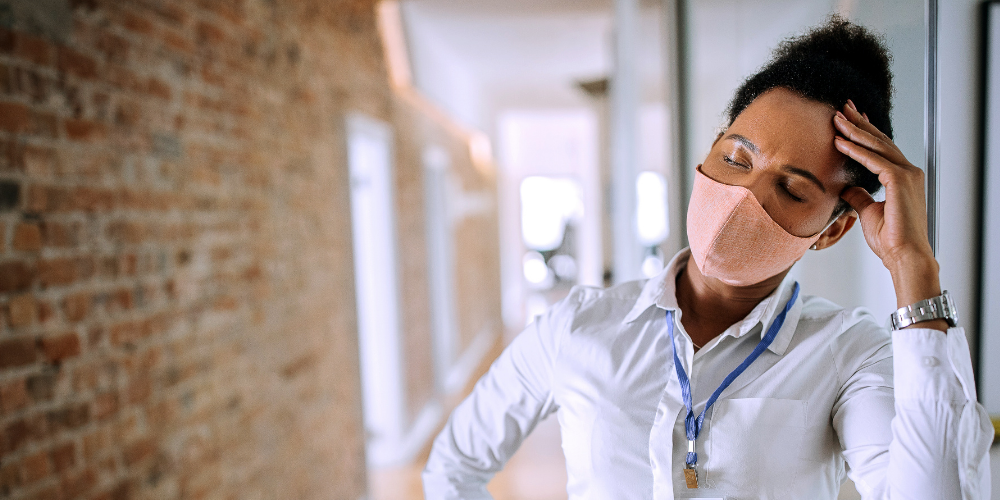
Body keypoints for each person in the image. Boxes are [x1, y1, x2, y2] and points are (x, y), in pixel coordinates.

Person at [422, 16, 994, 499]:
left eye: (791, 190)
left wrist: (913, 266)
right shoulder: (579, 327)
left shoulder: (851, 355)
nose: (744, 198)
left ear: (834, 228)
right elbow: (454, 463)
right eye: (736, 159)